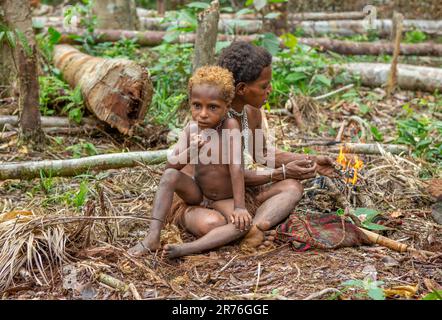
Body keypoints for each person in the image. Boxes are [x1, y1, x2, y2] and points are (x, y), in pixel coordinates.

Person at [129, 66, 253, 258]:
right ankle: (152, 237)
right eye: (197, 105)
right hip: (197, 194)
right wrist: (192, 150)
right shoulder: (191, 129)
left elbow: (237, 167)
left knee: (242, 225)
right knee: (171, 176)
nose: (203, 113)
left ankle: (187, 249)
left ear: (226, 106)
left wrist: (239, 207)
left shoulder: (231, 126)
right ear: (190, 103)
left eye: (212, 107)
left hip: (225, 198)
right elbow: (170, 167)